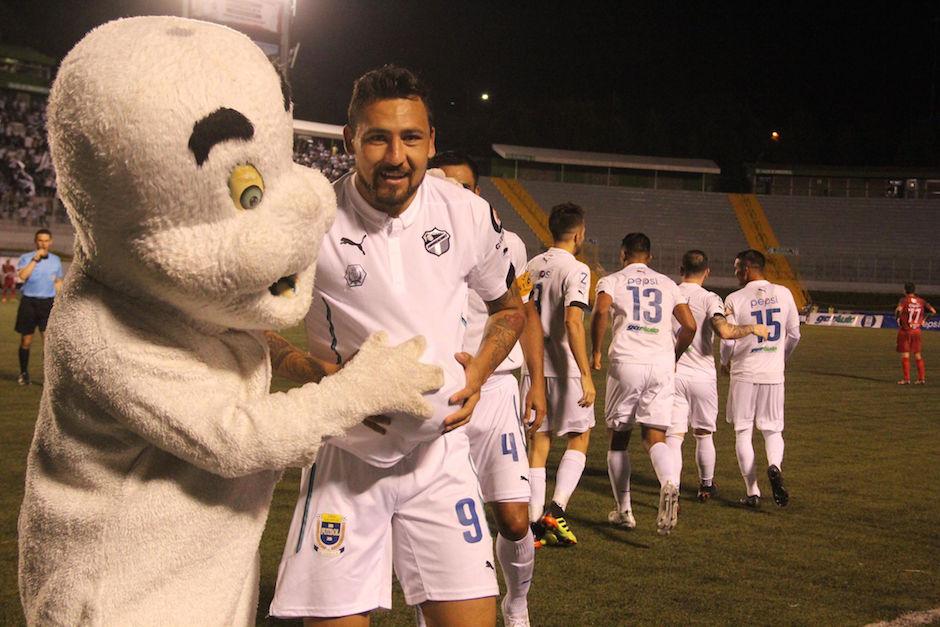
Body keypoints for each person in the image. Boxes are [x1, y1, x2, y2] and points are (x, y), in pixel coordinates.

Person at [267, 66, 526, 627]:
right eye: (378, 137)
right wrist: (317, 371)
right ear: (349, 141)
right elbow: (238, 323)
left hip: (440, 458)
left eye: (411, 137)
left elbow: (510, 307)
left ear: (431, 141)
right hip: (346, 464)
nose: (396, 155)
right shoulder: (309, 223)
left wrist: (479, 372)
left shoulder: (467, 211)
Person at [429, 150, 546, 626]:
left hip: (496, 388)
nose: (456, 195)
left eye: (465, 187)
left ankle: (516, 605)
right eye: (447, 186)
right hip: (443, 394)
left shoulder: (508, 243)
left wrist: (537, 380)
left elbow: (525, 313)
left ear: (478, 194)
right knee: (449, 526)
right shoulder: (416, 241)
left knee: (515, 519)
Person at [591, 233, 695, 535]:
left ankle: (624, 511)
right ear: (649, 256)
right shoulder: (667, 283)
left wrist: (596, 350)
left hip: (627, 362)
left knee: (618, 439)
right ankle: (669, 482)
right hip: (661, 365)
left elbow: (600, 311)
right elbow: (689, 325)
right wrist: (673, 354)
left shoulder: (612, 280)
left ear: (623, 254)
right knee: (655, 437)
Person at [669, 250, 768, 502]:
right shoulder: (710, 298)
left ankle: (670, 485)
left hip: (673, 373)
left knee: (674, 436)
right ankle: (706, 486)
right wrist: (752, 328)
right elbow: (724, 332)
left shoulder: (669, 292)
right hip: (702, 376)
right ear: (707, 272)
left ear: (681, 270)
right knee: (703, 434)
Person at [523, 202, 594, 547]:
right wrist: (586, 374)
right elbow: (573, 321)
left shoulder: (530, 266)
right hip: (564, 367)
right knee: (580, 435)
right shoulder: (577, 269)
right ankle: (558, 508)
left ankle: (534, 527)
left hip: (534, 368)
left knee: (539, 442)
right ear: (579, 234)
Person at [720, 249, 800, 508]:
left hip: (744, 372)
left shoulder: (734, 298)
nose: (735, 274)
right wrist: (780, 358)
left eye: (736, 269)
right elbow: (794, 334)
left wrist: (724, 362)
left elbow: (728, 338)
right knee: (773, 429)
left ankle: (752, 491)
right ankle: (774, 466)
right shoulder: (785, 293)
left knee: (743, 431)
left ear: (745, 269)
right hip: (773, 373)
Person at [15, 229, 63, 385]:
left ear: (51, 242)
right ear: (36, 241)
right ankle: (23, 373)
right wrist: (35, 260)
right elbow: (22, 276)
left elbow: (58, 282)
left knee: (48, 343)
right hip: (29, 303)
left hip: (47, 304)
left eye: (46, 240)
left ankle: (49, 378)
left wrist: (62, 298)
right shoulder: (26, 258)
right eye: (40, 240)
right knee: (26, 341)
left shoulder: (56, 260)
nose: (43, 243)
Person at [895, 282, 935, 385]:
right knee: (918, 355)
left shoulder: (903, 300)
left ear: (905, 290)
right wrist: (924, 320)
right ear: (914, 290)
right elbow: (933, 311)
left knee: (905, 355)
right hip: (916, 331)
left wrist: (898, 318)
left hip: (905, 331)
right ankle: (921, 379)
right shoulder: (921, 301)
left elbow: (898, 310)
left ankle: (906, 379)